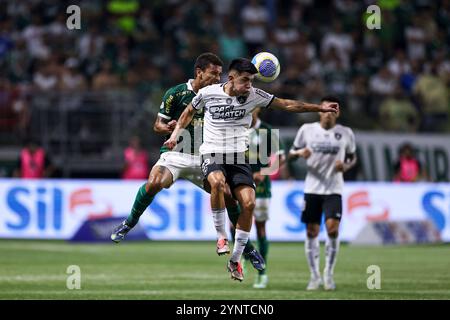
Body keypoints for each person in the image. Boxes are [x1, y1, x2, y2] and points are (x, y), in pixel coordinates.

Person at [165, 58, 339, 281]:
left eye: (252, 81)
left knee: (248, 204)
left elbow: (287, 105)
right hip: (212, 152)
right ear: (231, 78)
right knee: (217, 183)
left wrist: (319, 108)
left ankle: (236, 259)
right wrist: (174, 135)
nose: (249, 85)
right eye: (245, 80)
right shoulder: (208, 93)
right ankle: (221, 237)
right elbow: (188, 112)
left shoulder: (255, 96)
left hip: (238, 158)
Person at [110, 53, 265, 272]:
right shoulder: (176, 93)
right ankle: (129, 223)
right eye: (213, 73)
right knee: (154, 182)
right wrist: (169, 128)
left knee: (230, 197)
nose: (217, 78)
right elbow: (157, 125)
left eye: (220, 74)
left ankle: (247, 249)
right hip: (176, 154)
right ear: (199, 72)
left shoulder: (220, 93)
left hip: (206, 155)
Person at [289, 96, 357, 291]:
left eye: (332, 110)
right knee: (312, 232)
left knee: (333, 230)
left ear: (338, 112)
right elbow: (291, 155)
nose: (328, 114)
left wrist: (345, 165)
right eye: (325, 110)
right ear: (319, 111)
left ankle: (328, 273)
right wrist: (299, 154)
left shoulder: (345, 133)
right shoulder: (306, 130)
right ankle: (314, 276)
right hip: (312, 189)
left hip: (334, 189)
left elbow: (352, 157)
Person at [231, 107, 286, 288]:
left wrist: (265, 171)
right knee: (233, 226)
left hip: (261, 187)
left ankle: (262, 273)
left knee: (260, 228)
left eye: (252, 107)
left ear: (258, 109)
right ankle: (245, 255)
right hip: (238, 184)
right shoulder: (236, 129)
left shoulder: (267, 131)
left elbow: (280, 157)